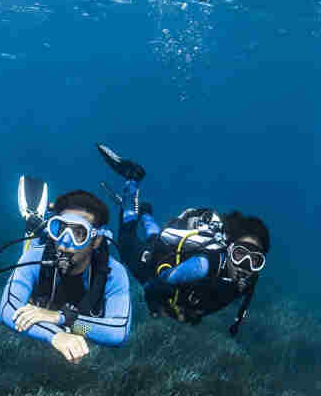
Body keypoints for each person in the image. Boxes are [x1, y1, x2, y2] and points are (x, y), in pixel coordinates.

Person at [96, 143, 270, 335]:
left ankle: (145, 214)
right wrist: (157, 311)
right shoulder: (203, 265)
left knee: (155, 238)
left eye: (255, 261)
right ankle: (132, 178)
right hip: (152, 264)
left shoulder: (249, 280)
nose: (245, 266)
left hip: (163, 249)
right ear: (229, 249)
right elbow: (154, 286)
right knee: (126, 240)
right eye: (239, 254)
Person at [0, 188, 132, 363]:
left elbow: (119, 333)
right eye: (60, 229)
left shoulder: (114, 272)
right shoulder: (34, 257)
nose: (65, 242)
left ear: (96, 240)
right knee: (32, 246)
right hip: (45, 305)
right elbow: (6, 309)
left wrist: (62, 319)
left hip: (67, 318)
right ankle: (35, 223)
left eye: (78, 233)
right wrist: (55, 335)